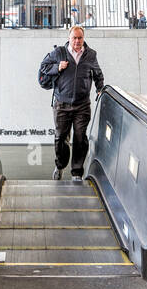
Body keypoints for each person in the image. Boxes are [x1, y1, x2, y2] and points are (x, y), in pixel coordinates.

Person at [37, 25, 105, 182]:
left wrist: (100, 88)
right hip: (61, 103)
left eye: (80, 38)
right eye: (74, 38)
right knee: (60, 137)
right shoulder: (59, 52)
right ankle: (60, 165)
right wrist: (57, 67)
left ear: (83, 38)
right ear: (69, 38)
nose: (77, 41)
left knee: (81, 137)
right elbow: (43, 67)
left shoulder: (90, 55)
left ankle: (77, 172)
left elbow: (98, 74)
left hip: (82, 105)